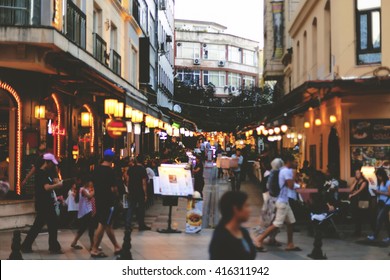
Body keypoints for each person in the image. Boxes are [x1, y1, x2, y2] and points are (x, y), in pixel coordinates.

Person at [255, 154, 301, 252]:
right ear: (289, 161)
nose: (296, 163)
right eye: (294, 161)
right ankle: (259, 240)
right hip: (282, 201)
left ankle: (290, 244)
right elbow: (291, 186)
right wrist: (294, 175)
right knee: (277, 223)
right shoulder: (287, 172)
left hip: (284, 201)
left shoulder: (282, 170)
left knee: (291, 222)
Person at [21, 153, 65, 254]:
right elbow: (46, 187)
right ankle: (53, 247)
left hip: (46, 203)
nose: (53, 165)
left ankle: (27, 245)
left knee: (43, 225)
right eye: (51, 163)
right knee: (49, 224)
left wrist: (55, 181)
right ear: (47, 162)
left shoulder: (46, 172)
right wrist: (57, 185)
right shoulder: (41, 173)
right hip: (44, 203)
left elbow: (50, 183)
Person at [90, 149, 121, 258]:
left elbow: (93, 183)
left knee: (106, 224)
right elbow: (113, 188)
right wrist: (117, 194)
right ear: (112, 159)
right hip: (108, 201)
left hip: (98, 199)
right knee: (103, 224)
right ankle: (94, 249)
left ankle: (116, 246)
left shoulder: (96, 169)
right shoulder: (110, 171)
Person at [209, 191, 256, 260]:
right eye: (246, 206)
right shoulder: (221, 238)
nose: (250, 210)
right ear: (235, 209)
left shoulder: (244, 232)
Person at [259, 158, 284, 247]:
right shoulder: (276, 174)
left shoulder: (270, 174)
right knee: (274, 220)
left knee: (271, 219)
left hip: (270, 198)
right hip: (274, 199)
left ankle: (270, 238)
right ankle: (263, 238)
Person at [71, 178, 97, 250]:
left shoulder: (82, 189)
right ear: (87, 182)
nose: (91, 183)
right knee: (90, 228)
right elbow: (89, 196)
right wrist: (95, 190)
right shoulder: (83, 190)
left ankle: (74, 242)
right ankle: (92, 245)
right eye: (90, 182)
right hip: (87, 211)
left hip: (86, 211)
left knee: (83, 228)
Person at [126, 157, 151, 231]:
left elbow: (127, 180)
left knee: (131, 208)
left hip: (132, 191)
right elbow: (144, 183)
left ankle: (128, 225)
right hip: (140, 191)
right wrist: (145, 194)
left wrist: (128, 189)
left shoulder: (130, 169)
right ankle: (141, 225)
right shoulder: (142, 170)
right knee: (141, 208)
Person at [367, 169, 390, 242]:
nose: (378, 177)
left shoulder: (388, 182)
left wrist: (379, 192)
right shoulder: (380, 183)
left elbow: (389, 193)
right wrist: (375, 192)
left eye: (379, 176)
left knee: (379, 218)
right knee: (386, 221)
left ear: (382, 175)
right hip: (381, 202)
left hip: (387, 203)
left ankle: (375, 235)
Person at [349, 169, 370, 237]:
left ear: (361, 174)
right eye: (356, 173)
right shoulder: (356, 181)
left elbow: (360, 190)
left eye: (358, 173)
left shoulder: (364, 182)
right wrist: (355, 181)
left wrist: (352, 194)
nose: (357, 175)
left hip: (362, 200)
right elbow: (351, 189)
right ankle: (357, 231)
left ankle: (359, 232)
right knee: (356, 216)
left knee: (360, 216)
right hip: (356, 201)